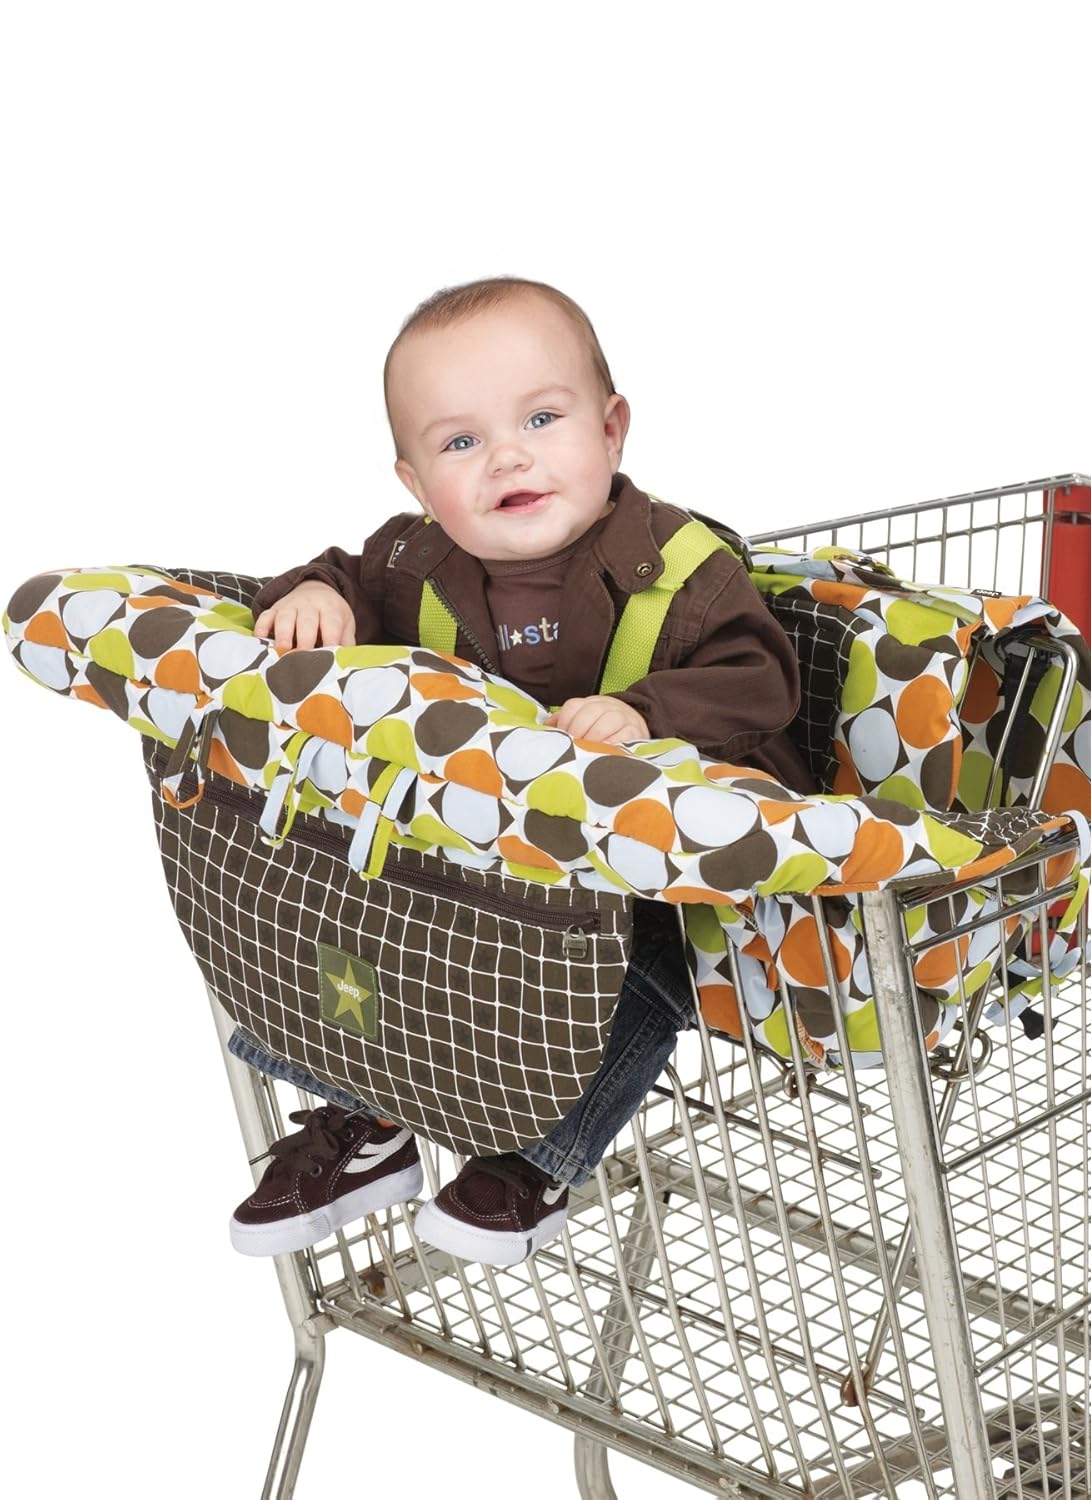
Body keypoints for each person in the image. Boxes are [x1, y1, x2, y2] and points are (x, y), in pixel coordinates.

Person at [228, 275, 814, 1266]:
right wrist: (316, 595)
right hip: (489, 872)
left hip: (668, 877)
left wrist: (647, 713)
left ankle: (535, 1158)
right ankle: (367, 1121)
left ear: (611, 429)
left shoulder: (685, 569)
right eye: (461, 442)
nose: (508, 456)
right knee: (378, 916)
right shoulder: (410, 564)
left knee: (635, 971)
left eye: (542, 419)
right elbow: (337, 577)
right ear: (417, 483)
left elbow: (763, 682)